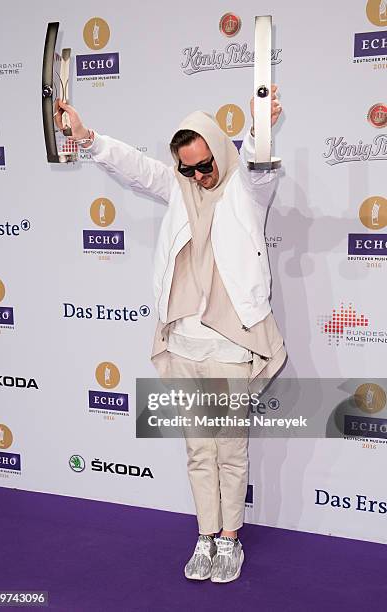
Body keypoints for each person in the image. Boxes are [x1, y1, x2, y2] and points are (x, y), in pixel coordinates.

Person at [56, 88, 285, 583]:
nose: (198, 177)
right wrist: (87, 138)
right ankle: (205, 535)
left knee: (230, 448)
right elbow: (134, 168)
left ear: (222, 153)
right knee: (198, 448)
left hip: (230, 346)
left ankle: (230, 539)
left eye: (204, 166)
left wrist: (261, 129)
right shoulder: (180, 189)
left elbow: (261, 169)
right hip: (182, 345)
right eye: (187, 169)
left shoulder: (244, 188)